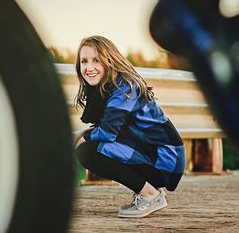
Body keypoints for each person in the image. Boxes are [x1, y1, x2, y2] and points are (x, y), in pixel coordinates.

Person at [74, 35, 186, 218]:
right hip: (155, 154)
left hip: (165, 160)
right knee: (88, 145)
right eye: (84, 61)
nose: (89, 68)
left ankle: (151, 195)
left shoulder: (124, 87)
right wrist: (83, 134)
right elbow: (108, 128)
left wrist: (83, 138)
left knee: (87, 152)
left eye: (96, 60)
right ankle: (150, 190)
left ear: (109, 60)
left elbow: (108, 132)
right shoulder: (107, 87)